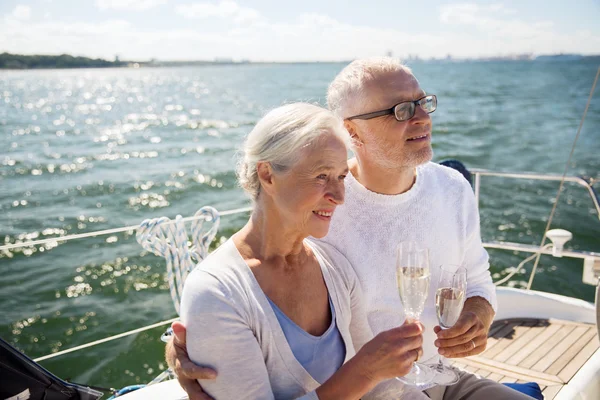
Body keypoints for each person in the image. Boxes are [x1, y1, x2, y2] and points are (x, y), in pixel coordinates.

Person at [168, 58, 533, 400]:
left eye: (423, 103)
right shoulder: (316, 217)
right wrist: (192, 339)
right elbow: (246, 275)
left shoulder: (452, 189)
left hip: (440, 375)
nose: (422, 118)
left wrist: (478, 315)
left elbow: (477, 279)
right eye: (401, 110)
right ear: (351, 132)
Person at [177, 102, 426, 400]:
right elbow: (369, 375)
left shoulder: (334, 268)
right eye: (321, 176)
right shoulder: (216, 292)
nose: (339, 196)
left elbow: (385, 391)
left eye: (341, 177)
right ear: (268, 175)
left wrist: (376, 374)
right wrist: (365, 371)